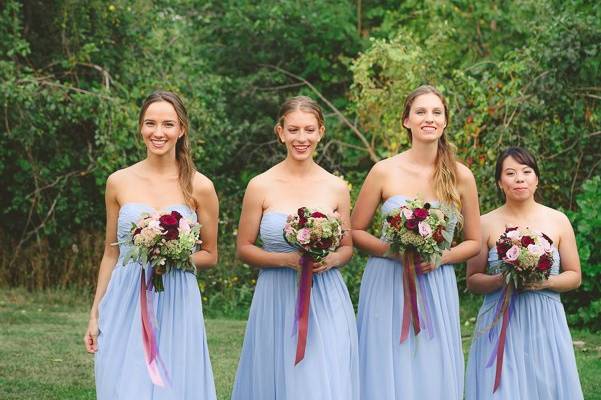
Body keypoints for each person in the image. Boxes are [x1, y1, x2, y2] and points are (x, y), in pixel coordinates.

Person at [84, 90, 218, 399]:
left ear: (181, 129)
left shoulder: (201, 186)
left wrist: (172, 256)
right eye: (150, 123)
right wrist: (95, 314)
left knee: (174, 385)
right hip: (125, 295)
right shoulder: (118, 181)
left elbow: (210, 254)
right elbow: (111, 252)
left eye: (168, 124)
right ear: (141, 128)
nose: (158, 132)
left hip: (176, 298)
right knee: (123, 382)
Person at [352, 85, 481, 399]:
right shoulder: (383, 171)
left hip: (435, 280)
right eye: (421, 111)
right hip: (387, 279)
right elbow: (354, 232)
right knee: (386, 359)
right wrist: (391, 252)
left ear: (445, 121)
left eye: (437, 112)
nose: (429, 118)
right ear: (406, 121)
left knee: (431, 362)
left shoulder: (461, 176)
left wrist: (442, 257)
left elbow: (474, 242)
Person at [231, 96, 359, 400]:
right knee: (278, 374)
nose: (302, 138)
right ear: (280, 132)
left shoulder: (336, 187)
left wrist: (330, 259)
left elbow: (348, 247)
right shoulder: (260, 185)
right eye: (294, 130)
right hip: (276, 295)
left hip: (325, 294)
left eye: (309, 130)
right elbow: (244, 248)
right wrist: (286, 260)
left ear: (321, 132)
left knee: (319, 377)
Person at [465, 146, 583, 399]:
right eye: (510, 173)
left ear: (537, 179)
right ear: (499, 182)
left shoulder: (558, 220)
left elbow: (574, 275)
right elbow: (473, 280)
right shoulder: (484, 223)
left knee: (545, 386)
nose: (519, 178)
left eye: (526, 171)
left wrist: (545, 282)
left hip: (544, 319)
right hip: (499, 317)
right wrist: (502, 279)